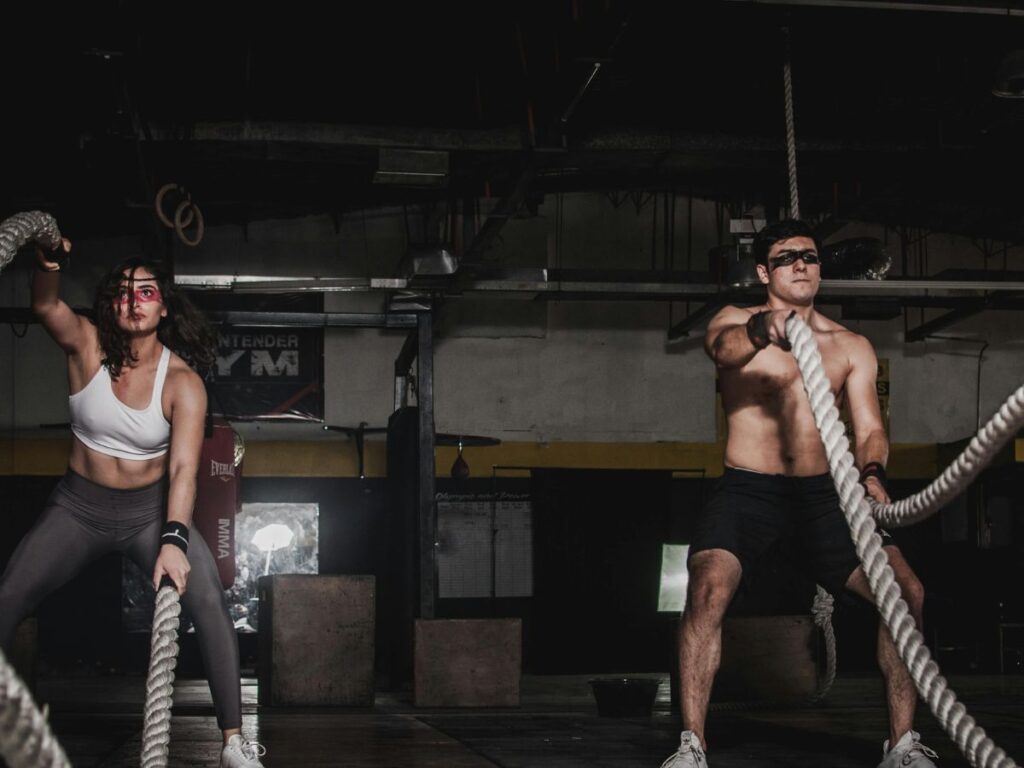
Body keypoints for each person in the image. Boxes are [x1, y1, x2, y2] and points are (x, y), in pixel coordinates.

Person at [661, 220, 937, 768]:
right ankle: (691, 746)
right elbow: (723, 350)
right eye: (786, 258)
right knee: (708, 588)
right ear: (765, 271)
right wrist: (769, 328)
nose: (802, 265)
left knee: (906, 594)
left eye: (809, 257)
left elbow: (869, 427)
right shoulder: (737, 323)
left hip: (825, 497)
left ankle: (902, 745)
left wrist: (874, 471)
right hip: (749, 492)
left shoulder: (850, 345)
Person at [0, 241, 266, 768]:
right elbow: (46, 307)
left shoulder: (183, 382)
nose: (133, 301)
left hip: (150, 512)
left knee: (209, 601)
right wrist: (48, 263)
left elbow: (185, 470)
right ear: (111, 305)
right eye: (122, 293)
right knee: (8, 595)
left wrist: (173, 541)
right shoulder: (87, 345)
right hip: (77, 508)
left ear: (163, 306)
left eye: (145, 292)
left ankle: (234, 742)